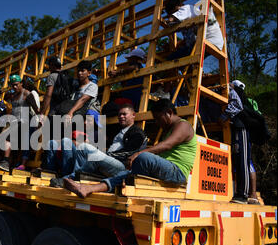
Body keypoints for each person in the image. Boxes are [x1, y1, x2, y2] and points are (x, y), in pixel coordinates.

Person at [63, 99, 197, 198]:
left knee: (144, 158)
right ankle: (88, 188)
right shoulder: (170, 129)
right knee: (127, 174)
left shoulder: (183, 126)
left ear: (168, 113)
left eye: (158, 118)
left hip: (177, 172)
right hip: (166, 169)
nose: (157, 123)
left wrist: (139, 153)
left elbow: (167, 145)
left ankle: (81, 180)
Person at [48, 104, 147, 187]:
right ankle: (68, 177)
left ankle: (69, 179)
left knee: (85, 147)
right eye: (120, 114)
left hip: (122, 167)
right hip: (110, 162)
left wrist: (105, 155)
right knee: (75, 146)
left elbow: (129, 153)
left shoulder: (137, 133)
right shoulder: (119, 132)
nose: (121, 116)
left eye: (124, 114)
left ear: (133, 115)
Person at [218, 80, 257, 204]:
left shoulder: (232, 91)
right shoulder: (230, 91)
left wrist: (223, 117)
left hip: (241, 129)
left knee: (242, 161)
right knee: (238, 161)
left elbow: (236, 106)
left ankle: (243, 195)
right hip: (234, 129)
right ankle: (239, 192)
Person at [0, 75, 40, 171]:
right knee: (7, 139)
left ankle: (23, 164)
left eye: (16, 85)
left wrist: (39, 121)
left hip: (26, 122)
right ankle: (6, 162)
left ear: (21, 83)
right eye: (13, 85)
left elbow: (36, 109)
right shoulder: (14, 96)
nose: (14, 87)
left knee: (25, 143)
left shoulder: (27, 94)